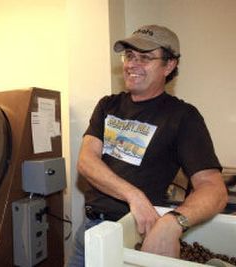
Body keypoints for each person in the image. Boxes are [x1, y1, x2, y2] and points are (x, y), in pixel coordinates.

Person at [67, 24, 228, 266]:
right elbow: (86, 161)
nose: (132, 64)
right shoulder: (107, 105)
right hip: (89, 230)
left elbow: (213, 190)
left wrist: (174, 221)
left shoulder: (182, 116)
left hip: (137, 237)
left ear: (169, 65)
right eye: (129, 56)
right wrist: (134, 195)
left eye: (145, 57)